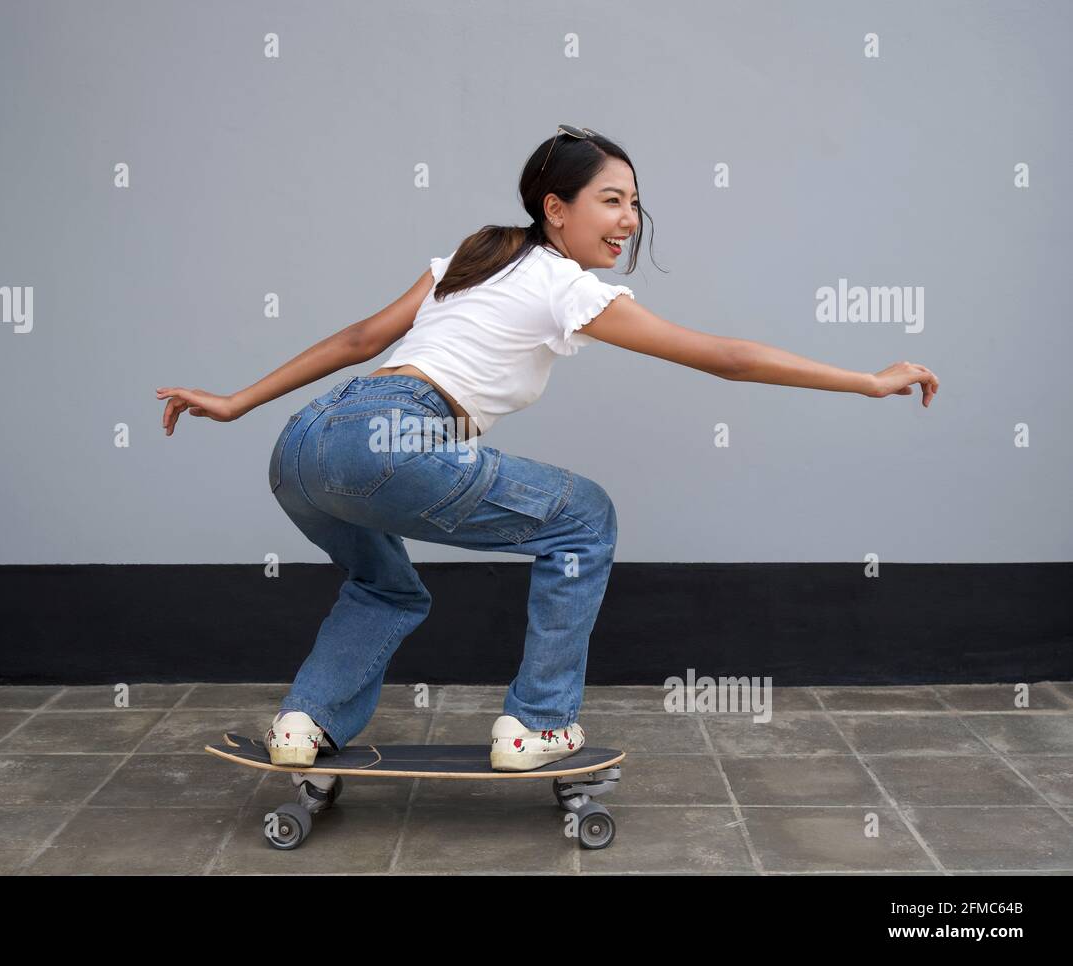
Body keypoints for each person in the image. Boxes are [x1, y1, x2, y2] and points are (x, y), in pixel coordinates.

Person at [156, 125, 940, 782]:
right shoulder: (567, 287)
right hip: (392, 437)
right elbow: (724, 355)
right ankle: (537, 724)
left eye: (635, 203)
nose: (629, 219)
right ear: (555, 209)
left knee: (385, 586)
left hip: (303, 445)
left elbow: (363, 341)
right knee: (585, 517)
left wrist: (236, 403)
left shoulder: (468, 262)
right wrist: (866, 382)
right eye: (610, 200)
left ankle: (305, 721)